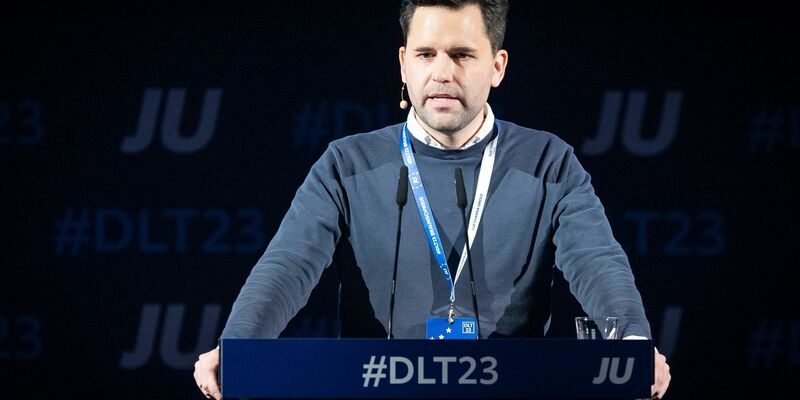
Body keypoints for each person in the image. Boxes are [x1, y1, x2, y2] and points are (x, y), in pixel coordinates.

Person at [194, 1, 671, 398]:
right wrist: (239, 345)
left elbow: (596, 260)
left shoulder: (548, 162)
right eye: (426, 54)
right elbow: (289, 263)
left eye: (462, 54)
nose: (442, 72)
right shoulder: (347, 163)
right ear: (404, 63)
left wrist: (631, 342)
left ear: (497, 66)